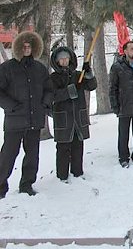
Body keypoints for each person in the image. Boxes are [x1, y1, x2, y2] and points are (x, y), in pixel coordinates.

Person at [0, 31, 52, 197]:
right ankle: (1, 185)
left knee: (32, 155)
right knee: (8, 154)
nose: (27, 49)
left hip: (34, 120)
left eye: (30, 46)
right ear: (18, 47)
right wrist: (11, 106)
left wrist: (44, 104)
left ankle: (27, 184)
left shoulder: (39, 68)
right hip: (14, 120)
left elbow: (49, 89)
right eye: (24, 46)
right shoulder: (7, 68)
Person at [49, 47, 97, 181]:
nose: (64, 61)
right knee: (63, 147)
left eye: (66, 58)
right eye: (61, 59)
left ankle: (78, 173)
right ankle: (62, 176)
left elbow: (92, 86)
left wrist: (89, 74)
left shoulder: (78, 75)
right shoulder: (53, 78)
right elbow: (52, 95)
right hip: (63, 118)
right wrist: (68, 92)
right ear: (57, 61)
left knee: (78, 145)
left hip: (78, 116)